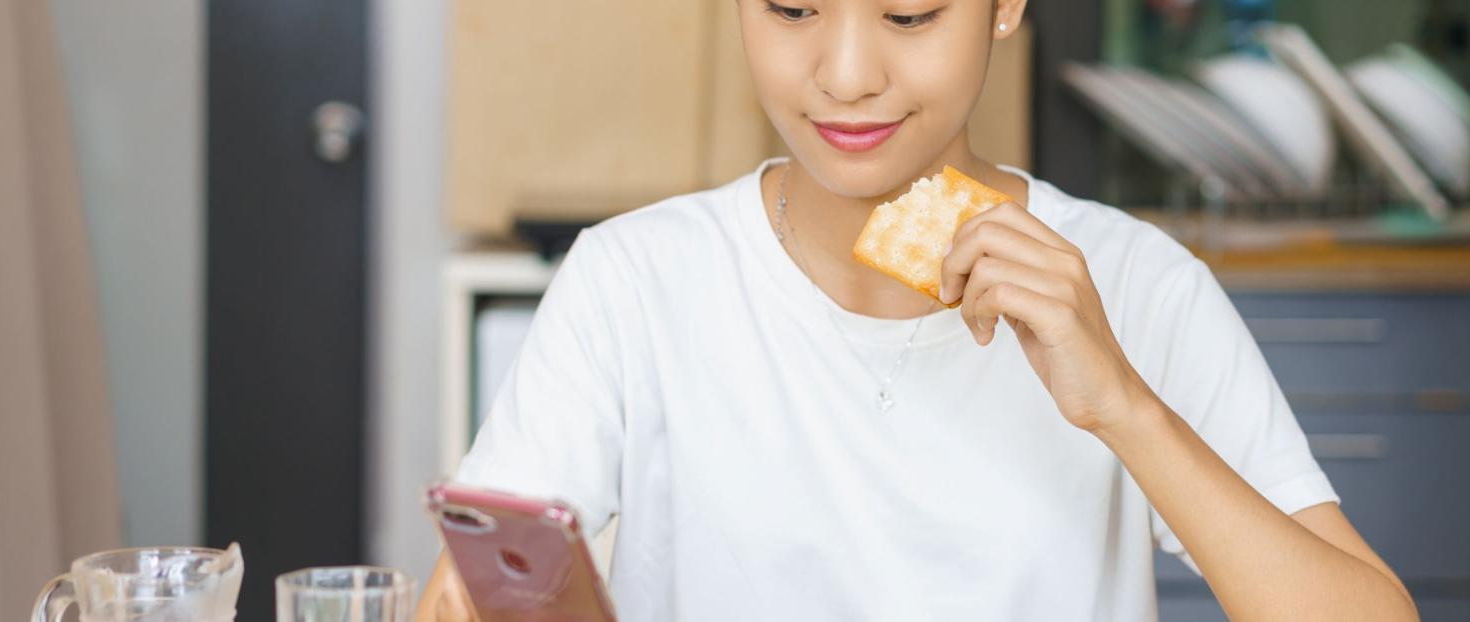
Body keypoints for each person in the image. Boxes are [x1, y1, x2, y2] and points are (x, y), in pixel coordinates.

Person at [420, 1, 1415, 619]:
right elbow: (477, 589)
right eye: (791, 7)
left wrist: (1123, 404)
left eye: (907, 14)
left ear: (1004, 4)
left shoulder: (1135, 280)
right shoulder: (630, 282)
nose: (847, 76)